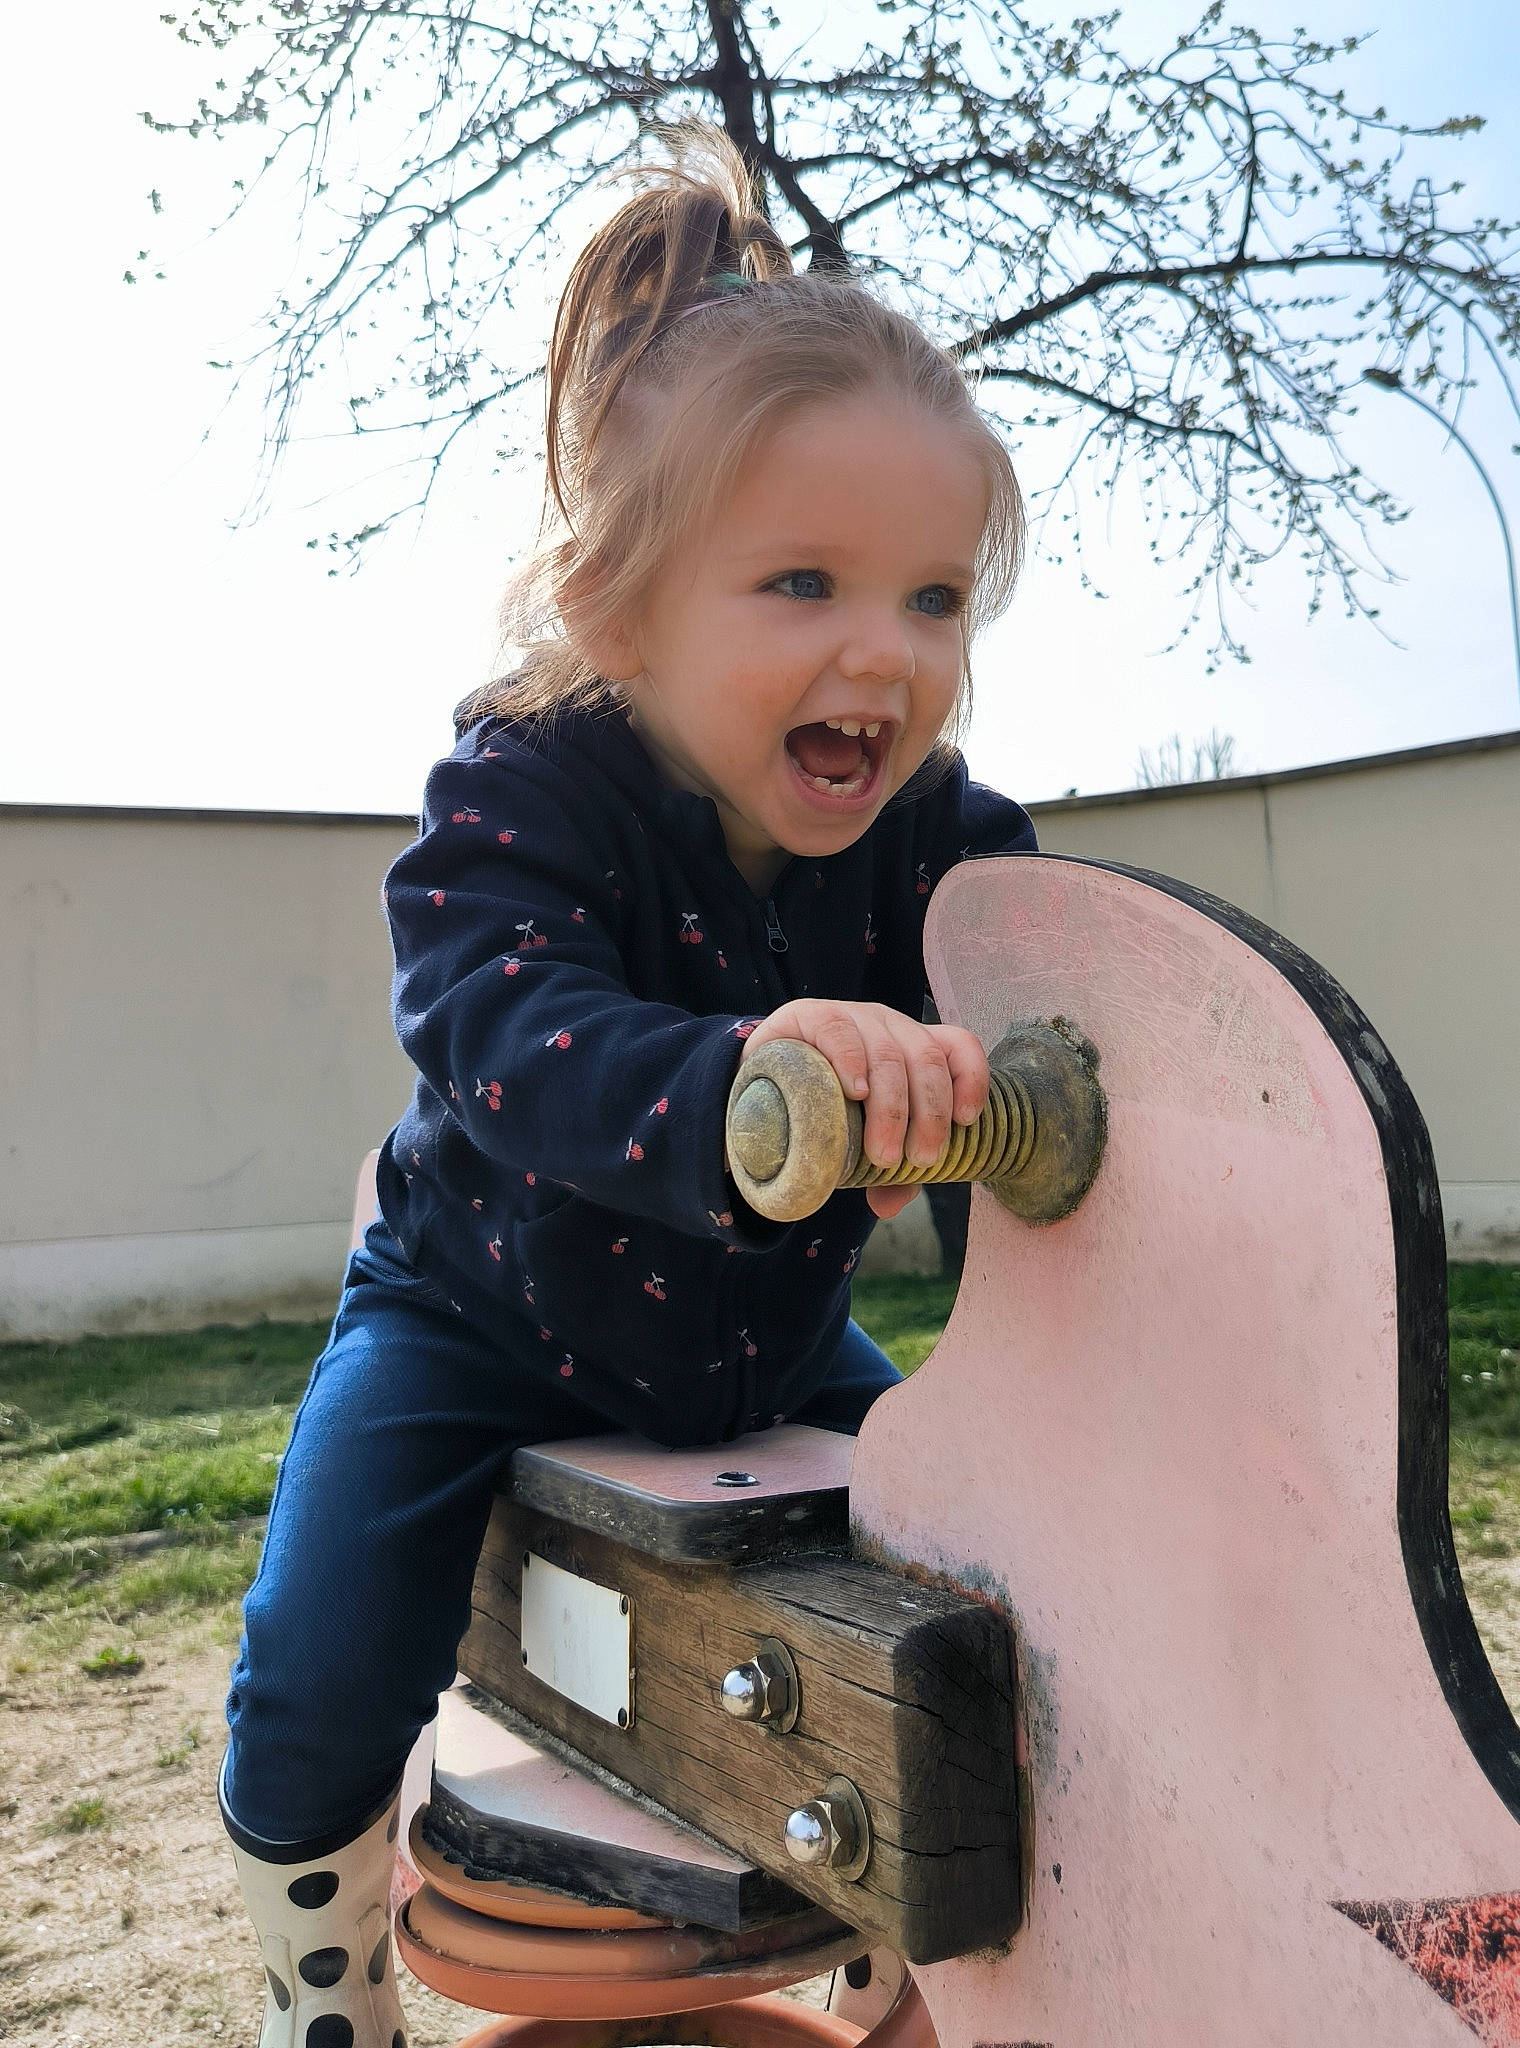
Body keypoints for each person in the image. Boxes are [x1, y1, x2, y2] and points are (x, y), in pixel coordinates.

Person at [219, 121, 1037, 2048]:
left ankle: (912, 1945)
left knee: (999, 1577)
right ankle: (317, 1989)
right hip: (483, 1311)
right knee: (319, 1657)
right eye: (806, 582)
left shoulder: (940, 848)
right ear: (619, 612)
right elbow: (498, 1027)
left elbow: (1067, 985)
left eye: (934, 599)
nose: (884, 652)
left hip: (762, 1346)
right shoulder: (527, 791)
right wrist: (751, 1078)